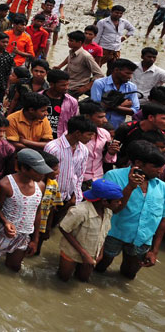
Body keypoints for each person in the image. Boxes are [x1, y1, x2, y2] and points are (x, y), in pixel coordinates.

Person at [97, 141, 165, 279]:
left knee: (129, 274)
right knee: (99, 267)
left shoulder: (162, 187)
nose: (160, 171)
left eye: (161, 167)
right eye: (155, 167)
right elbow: (113, 210)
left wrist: (155, 251)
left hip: (142, 239)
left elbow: (162, 220)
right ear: (139, 163)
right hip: (112, 234)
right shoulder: (113, 176)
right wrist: (130, 187)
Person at [0, 149, 49, 272]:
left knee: (14, 268)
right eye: (38, 171)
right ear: (24, 168)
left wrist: (35, 239)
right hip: (1, 232)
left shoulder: (41, 186)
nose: (42, 175)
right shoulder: (5, 184)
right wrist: (4, 222)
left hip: (23, 235)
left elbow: (38, 211)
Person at [57, 179, 123, 283]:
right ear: (105, 201)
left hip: (92, 253)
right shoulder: (80, 211)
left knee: (83, 280)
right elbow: (64, 228)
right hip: (72, 252)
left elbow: (103, 233)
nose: (120, 203)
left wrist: (100, 252)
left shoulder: (108, 212)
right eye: (117, 201)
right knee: (63, 279)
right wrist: (83, 254)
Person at [90, 58, 140, 129]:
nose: (130, 76)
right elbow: (95, 108)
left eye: (131, 73)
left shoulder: (131, 87)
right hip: (99, 127)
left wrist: (110, 105)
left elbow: (134, 110)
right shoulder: (99, 83)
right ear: (116, 70)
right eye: (127, 73)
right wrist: (121, 105)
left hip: (117, 127)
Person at [56, 29, 104, 97]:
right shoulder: (71, 52)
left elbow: (100, 75)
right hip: (68, 83)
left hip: (75, 87)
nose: (68, 42)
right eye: (69, 40)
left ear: (79, 42)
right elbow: (68, 68)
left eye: (71, 41)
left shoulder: (86, 56)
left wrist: (86, 87)